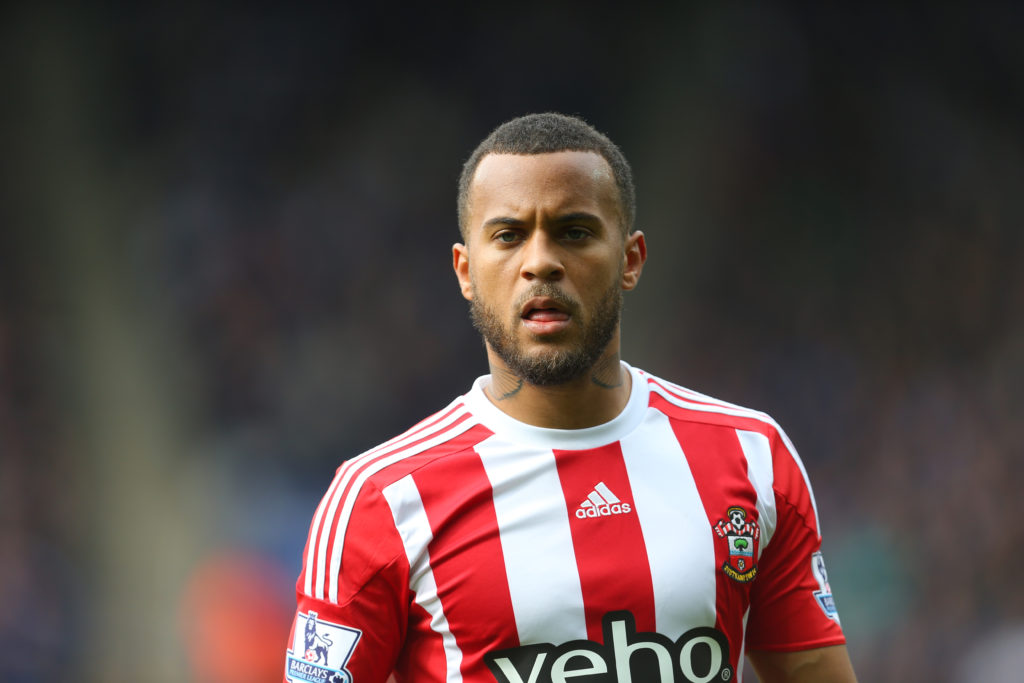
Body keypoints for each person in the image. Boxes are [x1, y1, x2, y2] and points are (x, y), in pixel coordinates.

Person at [283, 113, 857, 683]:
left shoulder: (751, 456)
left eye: (574, 232)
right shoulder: (379, 499)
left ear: (630, 260)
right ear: (466, 271)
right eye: (508, 235)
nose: (540, 262)